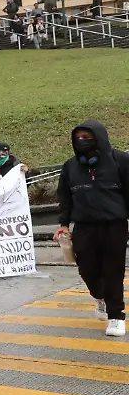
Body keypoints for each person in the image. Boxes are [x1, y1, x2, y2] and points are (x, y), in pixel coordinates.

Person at [57, 120, 129, 336]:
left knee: (113, 271)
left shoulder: (122, 160)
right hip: (84, 227)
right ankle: (100, 296)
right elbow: (65, 198)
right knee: (87, 270)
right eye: (78, 138)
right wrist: (63, 225)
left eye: (87, 137)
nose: (82, 141)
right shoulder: (70, 166)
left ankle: (116, 316)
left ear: (99, 138)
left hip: (114, 226)